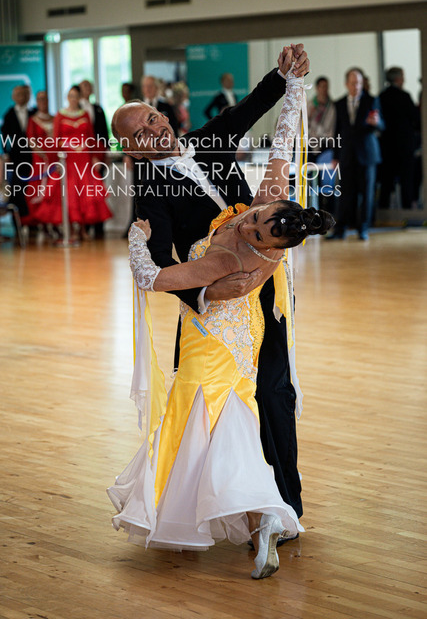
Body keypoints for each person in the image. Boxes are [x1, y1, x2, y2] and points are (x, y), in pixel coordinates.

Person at [108, 49, 334, 579]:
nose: (156, 129)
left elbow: (253, 106)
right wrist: (208, 296)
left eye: (154, 117)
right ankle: (241, 509)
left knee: (274, 393)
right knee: (218, 407)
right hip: (216, 303)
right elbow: (161, 264)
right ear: (132, 149)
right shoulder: (149, 191)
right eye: (141, 132)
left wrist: (285, 75)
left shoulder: (207, 137)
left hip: (267, 287)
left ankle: (285, 506)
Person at [34, 85, 112, 242]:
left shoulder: (85, 114)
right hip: (67, 160)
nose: (73, 99)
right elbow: (56, 138)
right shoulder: (60, 115)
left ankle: (82, 229)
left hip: (83, 159)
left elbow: (91, 137)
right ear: (67, 97)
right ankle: (70, 230)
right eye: (70, 96)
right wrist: (56, 160)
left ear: (79, 98)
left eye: (76, 96)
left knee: (84, 193)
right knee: (68, 194)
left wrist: (95, 157)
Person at [328, 67, 384, 241]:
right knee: (345, 193)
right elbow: (337, 131)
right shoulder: (339, 103)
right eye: (353, 83)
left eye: (359, 83)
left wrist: (376, 122)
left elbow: (382, 125)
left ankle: (363, 229)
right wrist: (335, 156)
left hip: (367, 154)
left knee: (367, 194)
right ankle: (340, 230)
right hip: (346, 154)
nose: (356, 86)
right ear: (346, 84)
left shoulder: (371, 100)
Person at [378, 67, 418, 209]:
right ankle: (407, 211)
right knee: (406, 180)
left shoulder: (382, 96)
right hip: (405, 145)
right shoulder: (404, 96)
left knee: (386, 181)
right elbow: (415, 118)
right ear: (397, 79)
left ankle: (383, 211)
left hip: (387, 145)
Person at [79, 79, 110, 239]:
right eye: (83, 86)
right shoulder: (75, 110)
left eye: (89, 86)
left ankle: (99, 225)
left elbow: (104, 132)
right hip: (80, 156)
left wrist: (105, 153)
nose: (86, 89)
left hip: (98, 153)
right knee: (82, 190)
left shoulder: (98, 108)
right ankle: (84, 226)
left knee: (98, 188)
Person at [1, 85, 34, 221]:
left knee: (32, 187)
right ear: (13, 97)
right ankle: (19, 222)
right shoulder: (9, 114)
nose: (21, 97)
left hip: (32, 156)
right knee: (17, 189)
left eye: (24, 94)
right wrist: (7, 153)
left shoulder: (33, 112)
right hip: (16, 157)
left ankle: (32, 221)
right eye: (18, 94)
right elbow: (4, 136)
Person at [25, 91, 57, 231]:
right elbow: (31, 140)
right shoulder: (33, 120)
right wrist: (43, 154)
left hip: (54, 161)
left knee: (55, 190)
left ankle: (54, 221)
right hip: (41, 161)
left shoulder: (55, 118)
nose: (43, 102)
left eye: (45, 99)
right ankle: (41, 222)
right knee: (39, 189)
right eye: (40, 99)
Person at [307, 76, 336, 206]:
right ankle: (314, 205)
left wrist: (318, 130)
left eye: (326, 87)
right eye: (322, 87)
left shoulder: (332, 106)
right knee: (312, 176)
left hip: (326, 145)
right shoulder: (310, 104)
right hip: (311, 145)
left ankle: (329, 205)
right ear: (317, 88)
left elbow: (330, 128)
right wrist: (310, 116)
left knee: (328, 177)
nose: (324, 89)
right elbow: (304, 126)